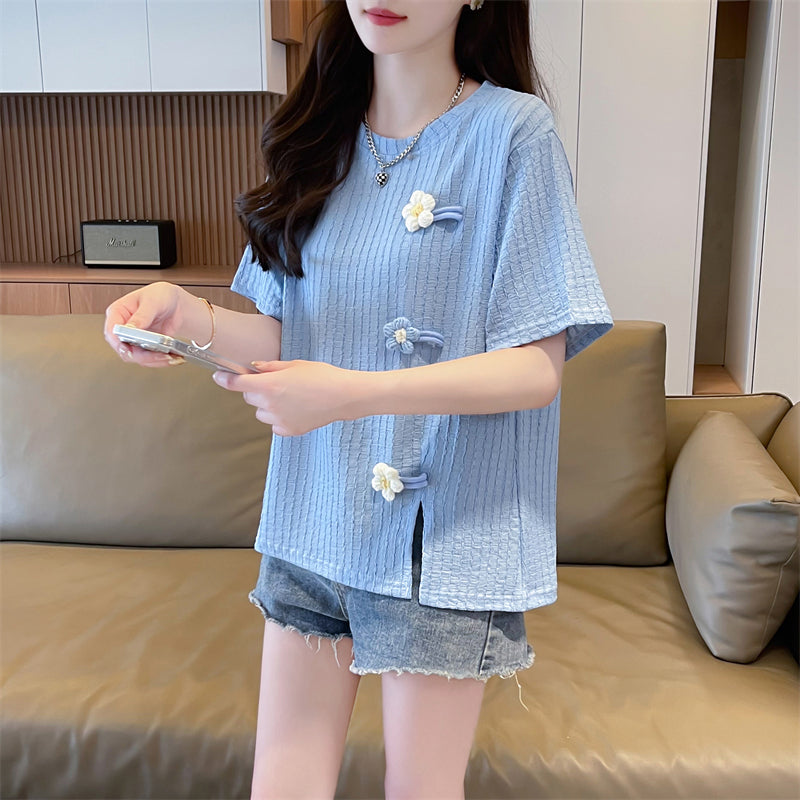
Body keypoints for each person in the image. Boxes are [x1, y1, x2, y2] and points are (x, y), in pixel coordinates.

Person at [104, 1, 614, 797]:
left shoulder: (514, 133)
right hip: (314, 515)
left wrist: (350, 396)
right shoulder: (319, 134)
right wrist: (188, 318)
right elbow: (288, 332)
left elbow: (535, 369)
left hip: (440, 539)